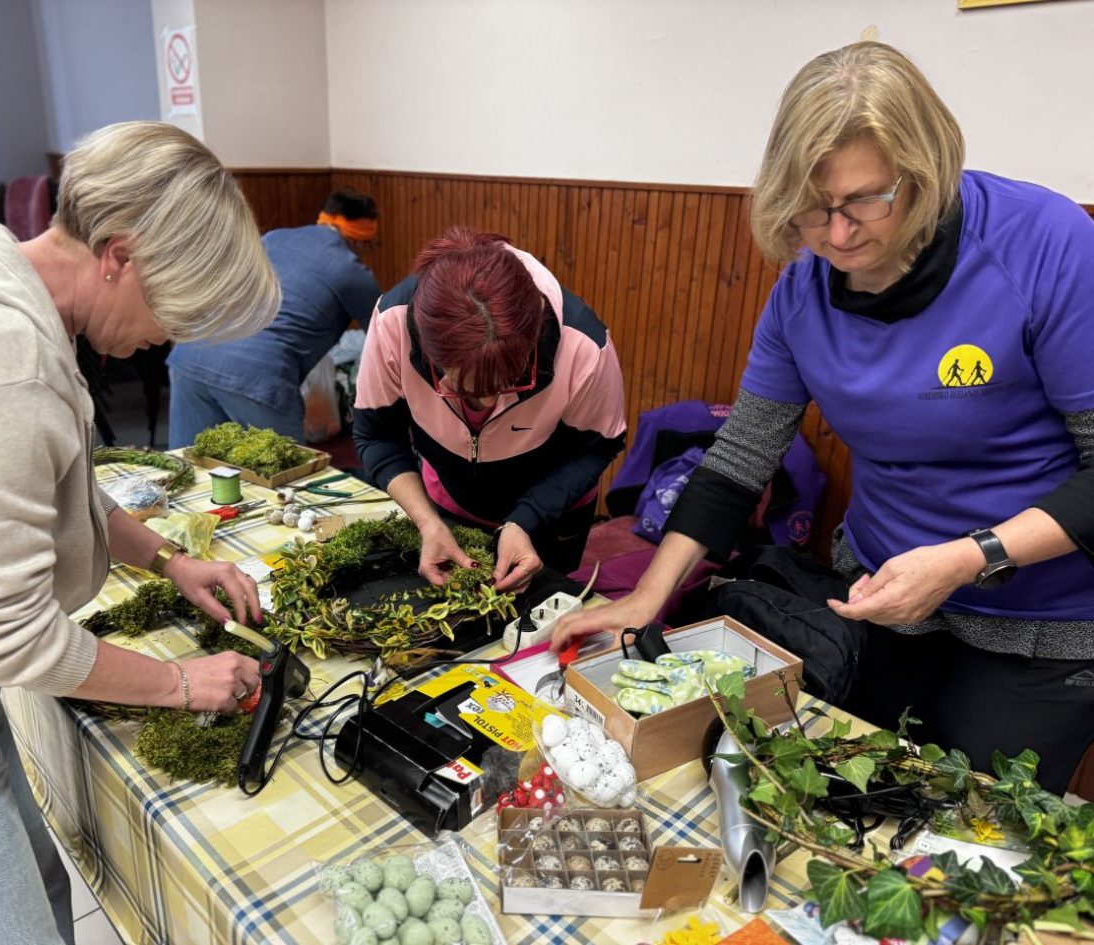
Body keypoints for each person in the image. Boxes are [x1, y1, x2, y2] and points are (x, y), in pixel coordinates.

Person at [554, 41, 1094, 795]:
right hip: (883, 596)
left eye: (867, 200)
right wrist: (648, 594)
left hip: (1039, 621)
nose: (838, 236)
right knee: (861, 794)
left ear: (926, 170)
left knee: (972, 820)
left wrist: (969, 557)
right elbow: (741, 455)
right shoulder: (803, 289)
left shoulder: (1046, 244)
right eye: (815, 208)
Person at [0, 121, 282, 945]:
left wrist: (167, 557)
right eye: (172, 305)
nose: (168, 335)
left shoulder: (6, 278)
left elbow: (52, 487)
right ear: (119, 254)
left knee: (37, 891)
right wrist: (181, 685)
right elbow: (9, 635)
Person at [353, 226, 627, 592]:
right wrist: (427, 522)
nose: (483, 405)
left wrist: (524, 521)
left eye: (503, 386)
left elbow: (596, 448)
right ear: (427, 351)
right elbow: (376, 434)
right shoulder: (393, 322)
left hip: (551, 512)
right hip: (447, 499)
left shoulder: (583, 346)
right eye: (460, 388)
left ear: (533, 344)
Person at [167, 187, 382, 445]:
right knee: (284, 478)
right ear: (361, 240)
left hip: (191, 352)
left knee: (193, 469)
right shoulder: (353, 273)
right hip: (258, 374)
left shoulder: (273, 238)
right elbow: (385, 343)